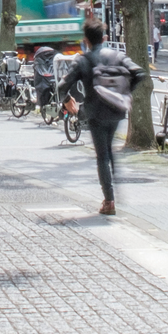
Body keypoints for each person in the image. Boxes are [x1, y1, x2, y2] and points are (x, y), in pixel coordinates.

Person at [58, 21, 140, 215]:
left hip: (95, 112)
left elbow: (62, 85)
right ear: (104, 38)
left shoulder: (83, 60)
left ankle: (109, 200)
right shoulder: (117, 56)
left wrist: (67, 100)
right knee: (109, 151)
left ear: (85, 40)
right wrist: (126, 93)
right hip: (117, 111)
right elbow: (139, 73)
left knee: (102, 155)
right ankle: (115, 191)